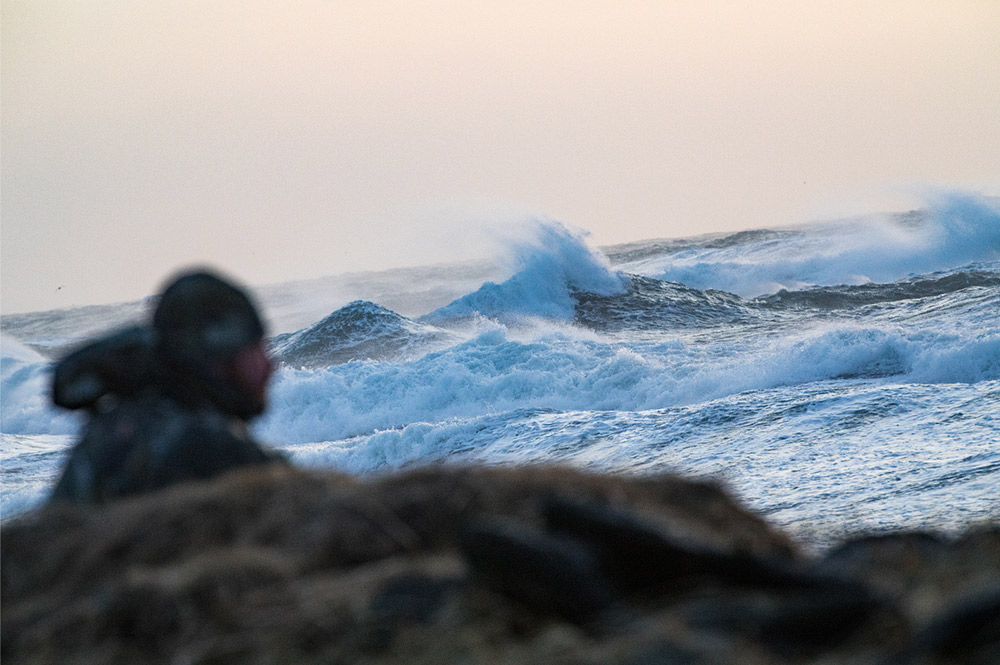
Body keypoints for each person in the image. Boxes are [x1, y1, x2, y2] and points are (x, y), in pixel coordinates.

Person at [49, 269, 286, 504]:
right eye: (254, 348)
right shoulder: (213, 452)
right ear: (216, 359)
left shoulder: (110, 429)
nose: (269, 363)